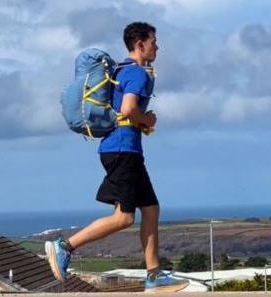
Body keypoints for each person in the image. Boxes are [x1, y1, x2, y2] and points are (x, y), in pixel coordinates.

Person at [46, 22, 189, 292]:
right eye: (153, 42)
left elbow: (123, 110)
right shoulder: (136, 73)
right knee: (124, 218)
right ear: (139, 45)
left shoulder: (121, 70)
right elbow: (128, 108)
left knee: (150, 209)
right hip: (123, 150)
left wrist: (141, 123)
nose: (157, 47)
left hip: (124, 149)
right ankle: (64, 246)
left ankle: (154, 274)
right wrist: (146, 119)